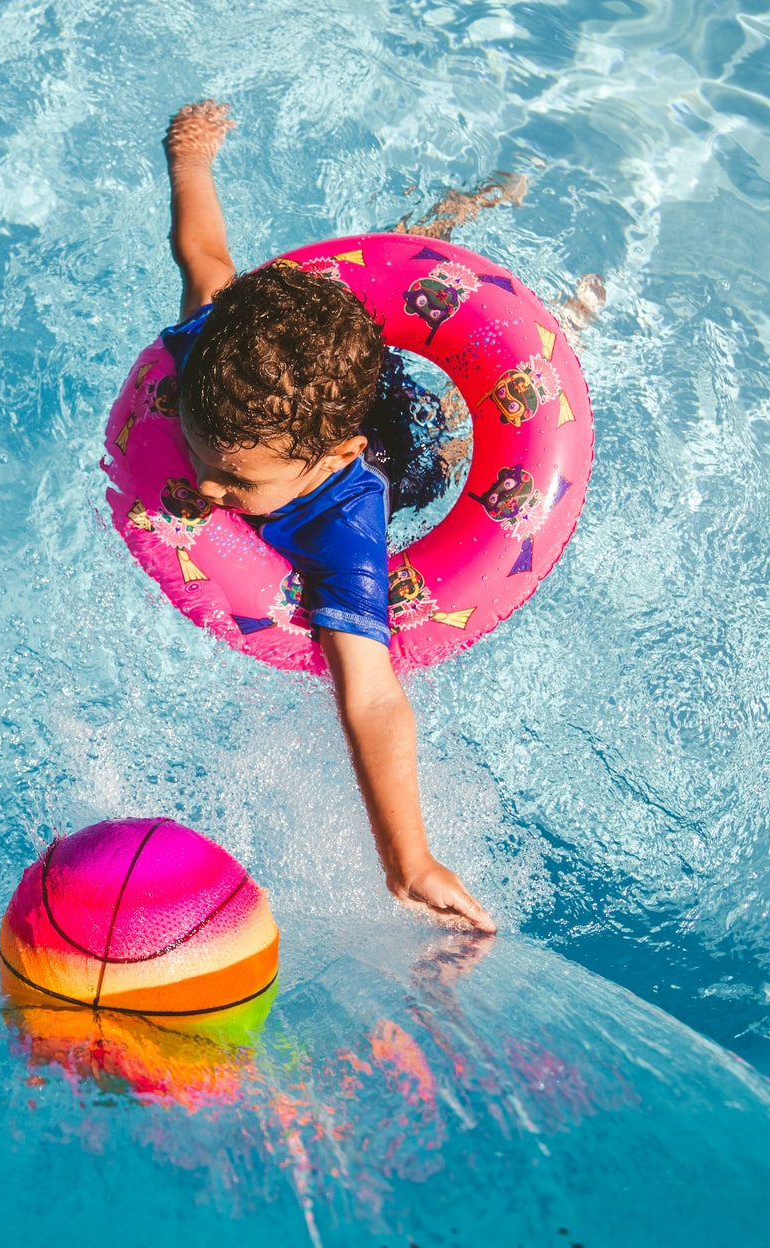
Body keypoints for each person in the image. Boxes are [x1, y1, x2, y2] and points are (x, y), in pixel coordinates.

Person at [161, 100, 495, 933]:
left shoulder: (348, 523)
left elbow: (373, 696)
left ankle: (540, 290)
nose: (204, 490)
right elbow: (203, 255)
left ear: (325, 462)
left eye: (233, 484)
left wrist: (408, 861)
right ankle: (447, 213)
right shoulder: (211, 360)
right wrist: (190, 166)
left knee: (447, 442)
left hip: (397, 446)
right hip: (319, 403)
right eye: (197, 456)